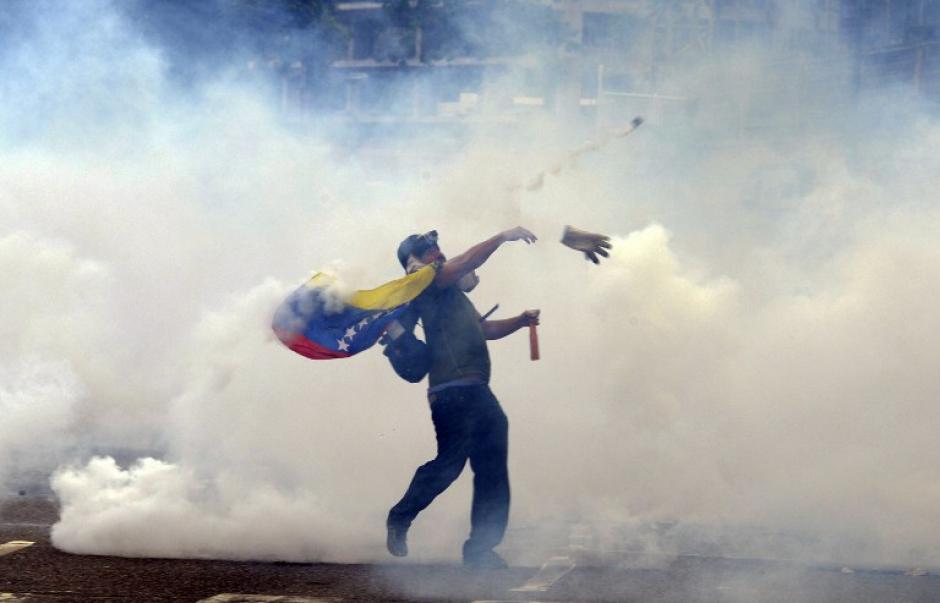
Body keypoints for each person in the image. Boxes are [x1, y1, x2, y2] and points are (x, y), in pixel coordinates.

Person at [386, 226, 540, 569]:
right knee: (450, 464)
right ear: (416, 260)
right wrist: (503, 236)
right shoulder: (430, 282)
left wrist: (520, 321)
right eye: (430, 249)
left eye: (437, 246)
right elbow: (470, 260)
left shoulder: (451, 292)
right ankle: (401, 516)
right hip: (453, 394)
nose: (438, 251)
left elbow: (485, 330)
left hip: (475, 392)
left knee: (491, 469)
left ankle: (481, 551)